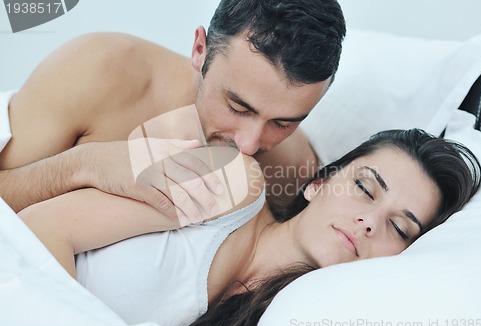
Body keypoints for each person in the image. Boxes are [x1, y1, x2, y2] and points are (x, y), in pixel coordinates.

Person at [19, 128, 481, 326]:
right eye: (364, 187)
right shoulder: (232, 180)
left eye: (399, 229)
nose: (370, 221)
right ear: (318, 183)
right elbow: (42, 227)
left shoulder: (291, 318)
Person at [0, 0, 346, 219]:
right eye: (237, 106)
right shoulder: (96, 70)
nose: (250, 145)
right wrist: (82, 166)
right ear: (199, 50)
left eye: (283, 123)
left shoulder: (291, 168)